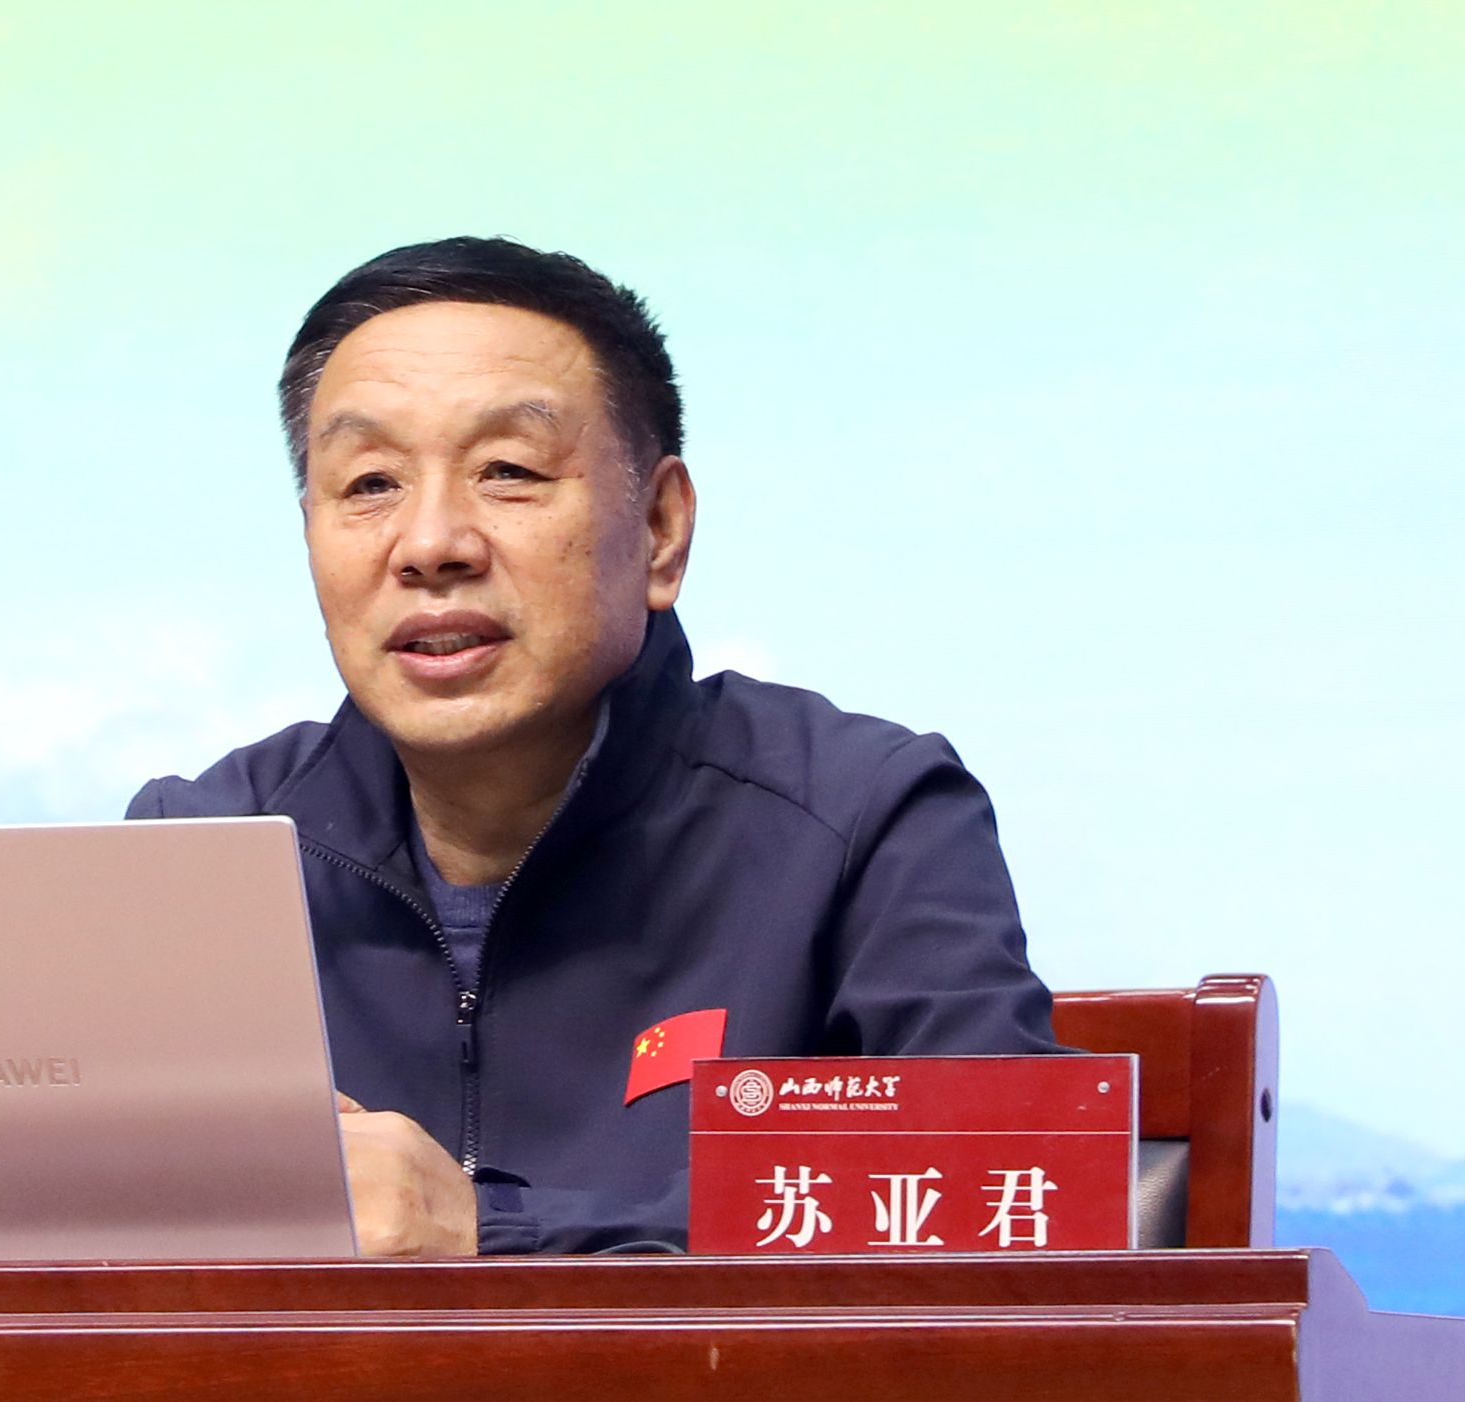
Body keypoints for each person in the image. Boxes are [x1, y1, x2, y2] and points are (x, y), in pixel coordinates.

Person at [126, 236, 1060, 1256]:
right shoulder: (200, 850)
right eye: (369, 483)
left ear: (659, 528)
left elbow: (1014, 1205)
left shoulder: (861, 820)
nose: (430, 544)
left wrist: (487, 1231)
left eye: (507, 471)